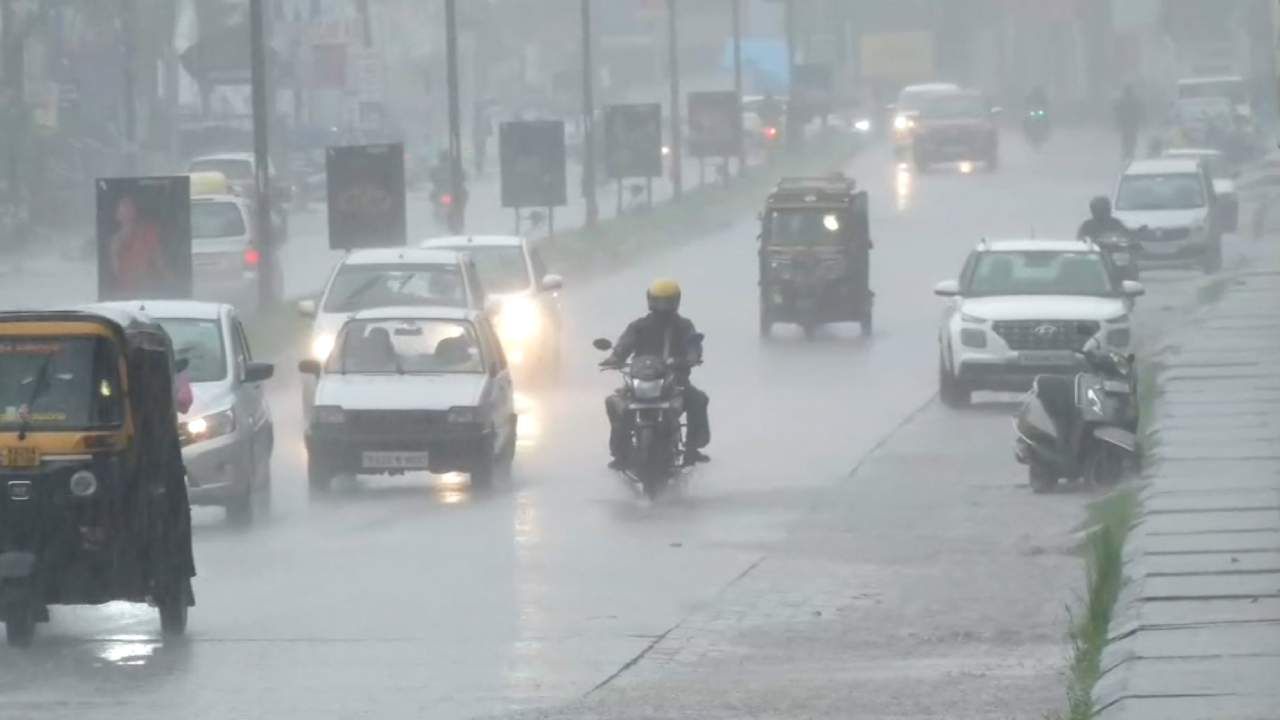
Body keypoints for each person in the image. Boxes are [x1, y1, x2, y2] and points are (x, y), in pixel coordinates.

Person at [600, 279, 710, 470]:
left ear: (676, 301)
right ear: (650, 301)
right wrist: (614, 357)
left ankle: (692, 448)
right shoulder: (639, 326)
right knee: (614, 402)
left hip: (675, 381)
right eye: (659, 301)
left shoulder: (684, 326)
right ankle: (620, 452)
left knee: (698, 400)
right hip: (640, 380)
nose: (663, 306)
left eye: (667, 301)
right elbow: (624, 344)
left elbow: (693, 344)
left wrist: (692, 356)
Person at [109, 194, 173, 297]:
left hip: (146, 287)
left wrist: (170, 280)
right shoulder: (114, 241)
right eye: (123, 208)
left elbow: (159, 259)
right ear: (117, 215)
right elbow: (116, 270)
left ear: (135, 211)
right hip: (125, 291)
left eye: (129, 207)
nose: (127, 211)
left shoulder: (148, 231)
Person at [1115, 85, 1144, 160]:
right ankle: (1130, 151)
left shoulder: (1122, 100)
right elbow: (1139, 111)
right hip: (1132, 122)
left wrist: (1118, 122)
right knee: (1132, 136)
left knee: (1126, 136)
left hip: (1126, 122)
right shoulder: (1135, 99)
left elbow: (1118, 112)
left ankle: (1127, 152)